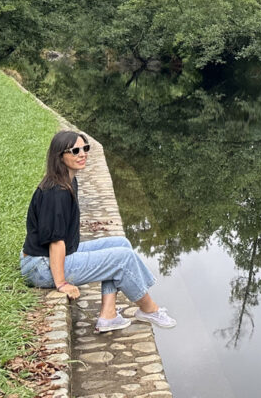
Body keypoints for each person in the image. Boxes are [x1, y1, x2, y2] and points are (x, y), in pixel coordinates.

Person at [20, 129, 176, 333]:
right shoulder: (56, 193)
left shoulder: (68, 181)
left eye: (85, 148)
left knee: (121, 244)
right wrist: (61, 284)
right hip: (40, 267)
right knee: (122, 258)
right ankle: (149, 309)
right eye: (75, 151)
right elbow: (55, 242)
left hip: (50, 258)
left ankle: (108, 314)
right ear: (60, 156)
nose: (82, 154)